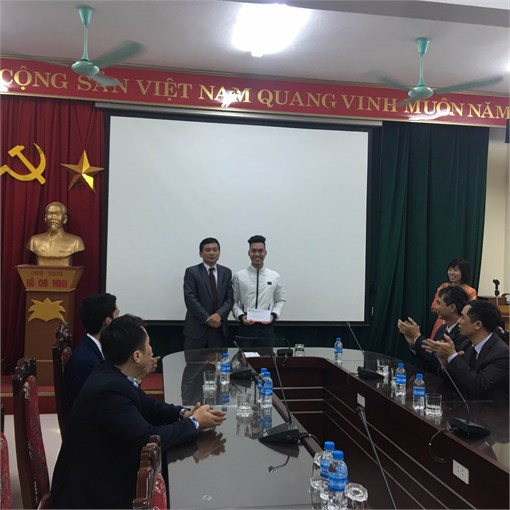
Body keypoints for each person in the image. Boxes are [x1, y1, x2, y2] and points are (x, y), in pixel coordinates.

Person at [51, 314, 226, 509]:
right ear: (137, 356)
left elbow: (148, 405)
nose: (152, 350)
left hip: (105, 471)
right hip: (94, 493)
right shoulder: (108, 391)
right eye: (148, 344)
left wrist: (184, 414)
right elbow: (147, 439)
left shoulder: (112, 373)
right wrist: (194, 423)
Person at [421, 300, 509, 402]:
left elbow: (478, 386)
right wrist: (446, 363)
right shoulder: (466, 344)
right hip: (463, 406)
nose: (458, 321)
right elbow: (458, 382)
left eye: (462, 317)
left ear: (477, 324)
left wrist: (452, 355)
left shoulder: (502, 354)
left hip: (491, 409)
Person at [65, 293, 119, 407]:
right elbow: (109, 399)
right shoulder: (87, 360)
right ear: (108, 321)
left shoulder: (95, 348)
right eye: (117, 315)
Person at [397, 285, 469, 373]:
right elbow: (429, 359)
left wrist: (417, 336)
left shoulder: (463, 333)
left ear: (452, 307)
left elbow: (438, 362)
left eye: (438, 303)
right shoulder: (441, 329)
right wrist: (413, 342)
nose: (435, 307)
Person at [232, 235, 285, 346]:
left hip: (266, 327)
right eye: (253, 251)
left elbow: (280, 300)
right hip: (246, 326)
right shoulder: (239, 276)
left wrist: (273, 315)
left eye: (260, 251)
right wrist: (241, 316)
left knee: (266, 357)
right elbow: (233, 301)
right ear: (249, 253)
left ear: (265, 253)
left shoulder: (274, 276)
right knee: (245, 356)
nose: (257, 254)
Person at [183, 238, 233, 350]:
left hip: (219, 329)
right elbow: (190, 298)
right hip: (197, 329)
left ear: (219, 252)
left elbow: (230, 298)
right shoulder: (192, 272)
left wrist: (219, 315)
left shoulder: (226, 272)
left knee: (218, 361)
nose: (211, 253)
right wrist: (207, 318)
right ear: (200, 253)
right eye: (207, 250)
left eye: (215, 250)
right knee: (193, 362)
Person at [430, 258, 477, 338]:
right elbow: (433, 307)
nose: (452, 273)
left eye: (455, 270)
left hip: (459, 325)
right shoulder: (443, 287)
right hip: (441, 323)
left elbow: (470, 312)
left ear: (463, 272)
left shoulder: (470, 291)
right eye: (450, 270)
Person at [27, 201, 85, 266]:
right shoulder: (34, 241)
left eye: (57, 214)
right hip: (41, 272)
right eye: (50, 213)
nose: (53, 217)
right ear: (45, 218)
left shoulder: (75, 242)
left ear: (65, 219)